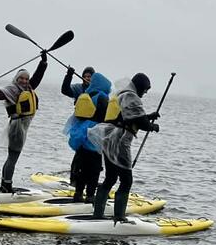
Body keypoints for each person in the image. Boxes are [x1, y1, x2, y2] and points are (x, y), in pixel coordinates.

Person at [0, 52, 48, 192]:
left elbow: (37, 78)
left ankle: (4, 184)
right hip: (17, 128)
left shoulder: (28, 88)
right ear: (16, 79)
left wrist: (43, 63)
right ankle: (7, 186)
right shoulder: (12, 89)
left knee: (11, 156)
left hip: (23, 127)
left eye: (26, 79)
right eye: (21, 79)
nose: (24, 81)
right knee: (13, 157)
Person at [88, 73, 159, 222]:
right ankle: (119, 216)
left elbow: (128, 116)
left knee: (110, 178)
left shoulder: (122, 94)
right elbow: (140, 122)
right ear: (139, 86)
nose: (145, 93)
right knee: (126, 181)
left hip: (109, 140)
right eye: (145, 90)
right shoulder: (132, 97)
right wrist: (152, 126)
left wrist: (149, 116)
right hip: (119, 142)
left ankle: (98, 214)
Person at [64, 72, 112, 202]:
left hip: (82, 134)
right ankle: (90, 195)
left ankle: (78, 193)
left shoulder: (86, 95)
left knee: (83, 167)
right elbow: (107, 118)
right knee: (94, 168)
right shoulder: (102, 97)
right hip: (95, 135)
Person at [61, 65, 95, 184]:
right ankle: (74, 179)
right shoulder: (78, 88)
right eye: (85, 76)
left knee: (90, 154)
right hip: (79, 124)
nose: (86, 79)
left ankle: (86, 179)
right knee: (79, 152)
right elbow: (65, 90)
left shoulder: (97, 90)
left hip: (92, 125)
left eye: (89, 77)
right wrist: (69, 75)